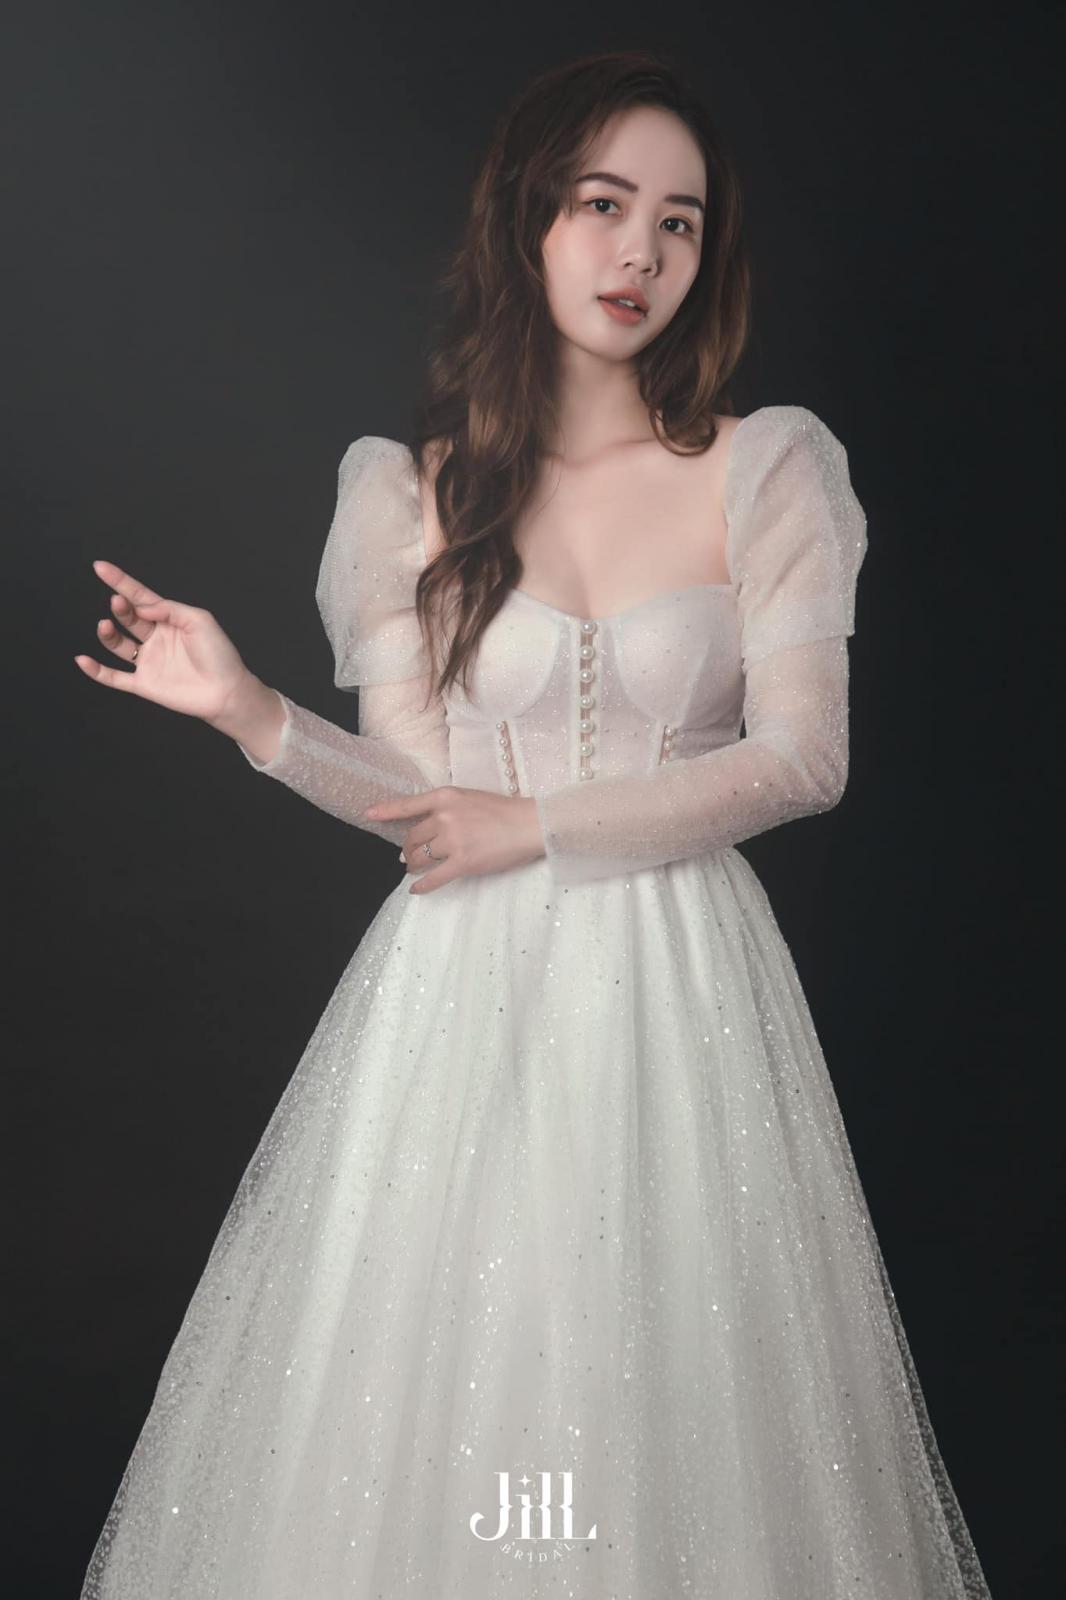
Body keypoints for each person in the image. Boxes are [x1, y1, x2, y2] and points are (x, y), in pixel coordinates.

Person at [75, 49, 993, 1600]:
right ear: (527, 221)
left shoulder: (764, 467)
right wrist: (248, 711)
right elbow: (418, 801)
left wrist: (541, 828)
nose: (641, 252)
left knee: (677, 1390)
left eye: (679, 223)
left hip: (682, 986)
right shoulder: (408, 495)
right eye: (602, 204)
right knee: (446, 1392)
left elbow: (802, 761)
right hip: (456, 1003)